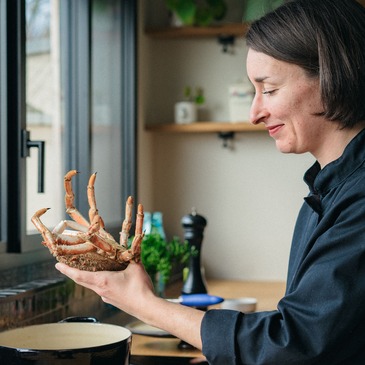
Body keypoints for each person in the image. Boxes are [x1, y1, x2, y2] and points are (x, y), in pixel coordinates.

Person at [55, 0, 365, 363]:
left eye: (269, 89)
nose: (254, 113)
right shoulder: (328, 191)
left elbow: (293, 345)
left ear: (330, 75)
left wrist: (143, 304)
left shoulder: (358, 198)